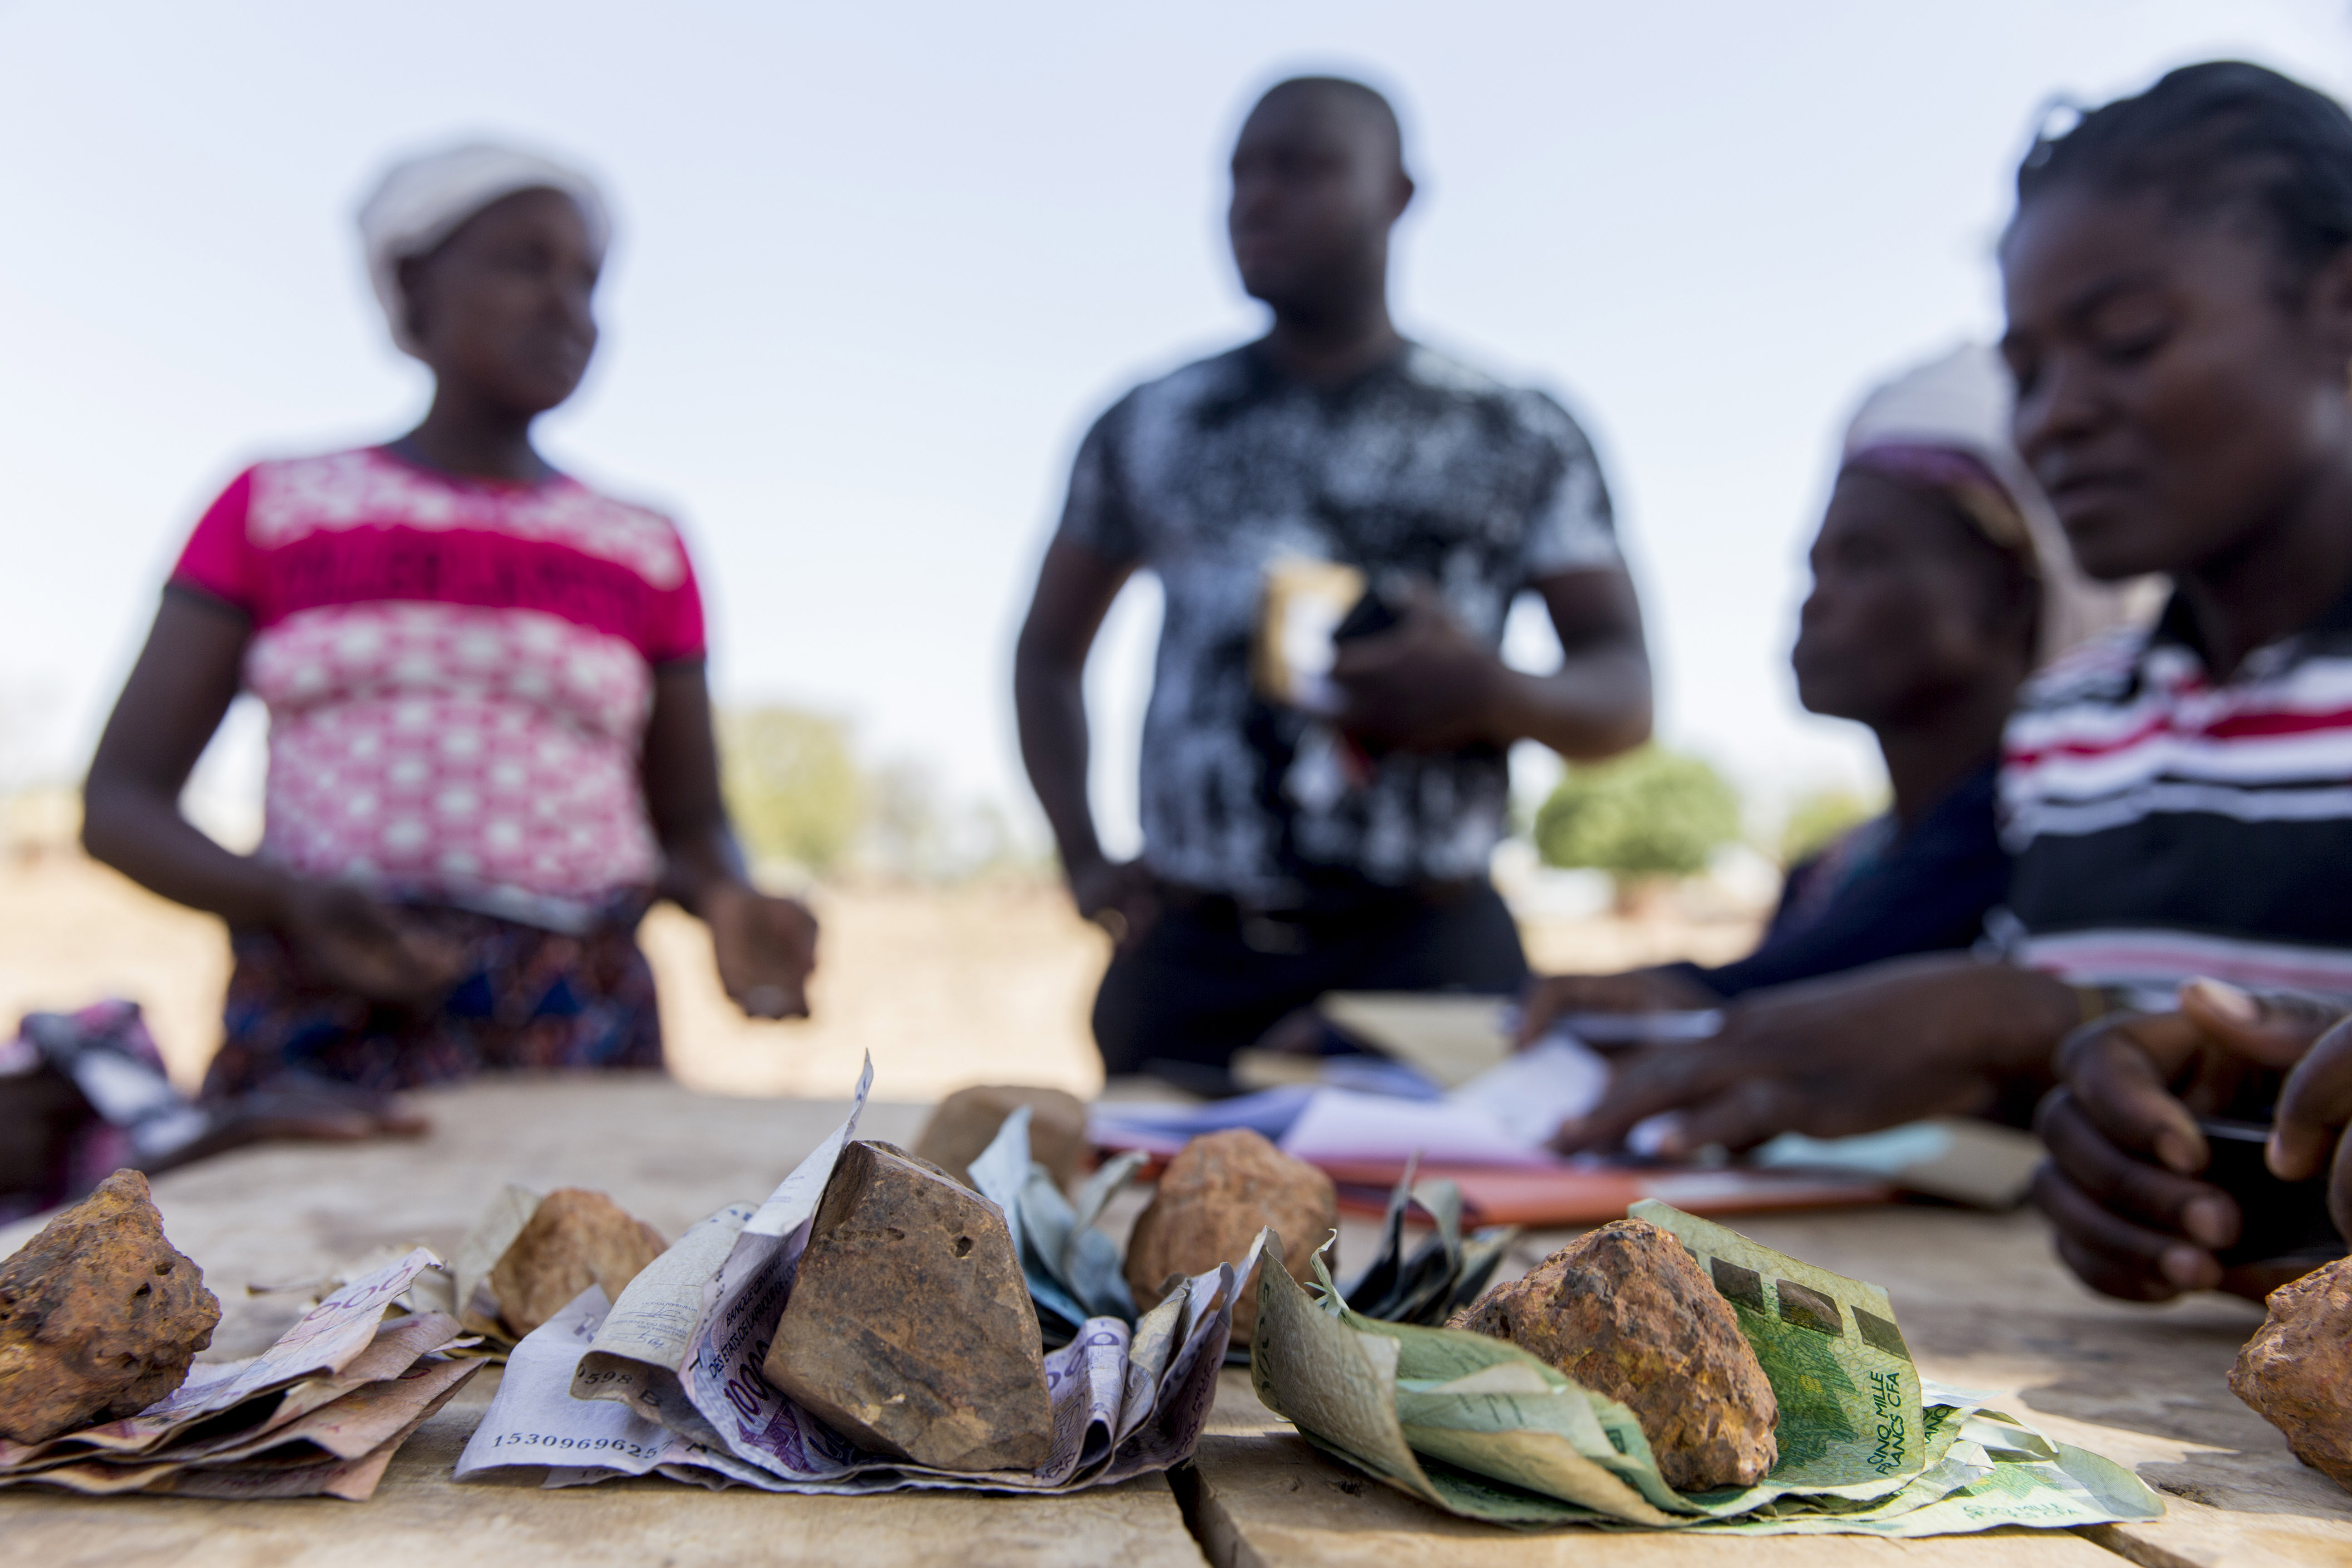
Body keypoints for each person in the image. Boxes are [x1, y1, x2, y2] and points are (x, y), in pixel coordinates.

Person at [1545, 63, 2352, 1185]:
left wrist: (2023, 1023)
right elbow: (2093, 1093)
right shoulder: (2073, 730)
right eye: (2027, 370)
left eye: (2126, 341)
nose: (2057, 415)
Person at [79, 141, 817, 1119]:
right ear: (411, 286)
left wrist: (730, 897)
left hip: (578, 1021)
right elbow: (121, 803)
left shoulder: (643, 545)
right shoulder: (277, 506)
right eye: (524, 262)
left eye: (589, 281)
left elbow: (690, 822)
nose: (569, 307)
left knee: (590, 1263)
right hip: (327, 1009)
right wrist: (285, 901)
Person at [1014, 77, 1652, 1090]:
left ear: (1398, 194)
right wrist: (1086, 859)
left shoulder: (1517, 432)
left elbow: (1625, 689)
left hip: (1431, 961)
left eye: (1301, 167)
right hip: (1195, 963)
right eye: (1239, 173)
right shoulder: (1153, 422)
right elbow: (1048, 653)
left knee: (1447, 1245)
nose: (1254, 200)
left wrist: (1495, 693)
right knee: (1158, 1240)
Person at [1519, 346, 2146, 1025]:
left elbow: (1807, 994)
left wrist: (1672, 998)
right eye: (1814, 567)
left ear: (2011, 597)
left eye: (1864, 559)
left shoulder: (2035, 831)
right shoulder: (1832, 870)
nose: (1814, 601)